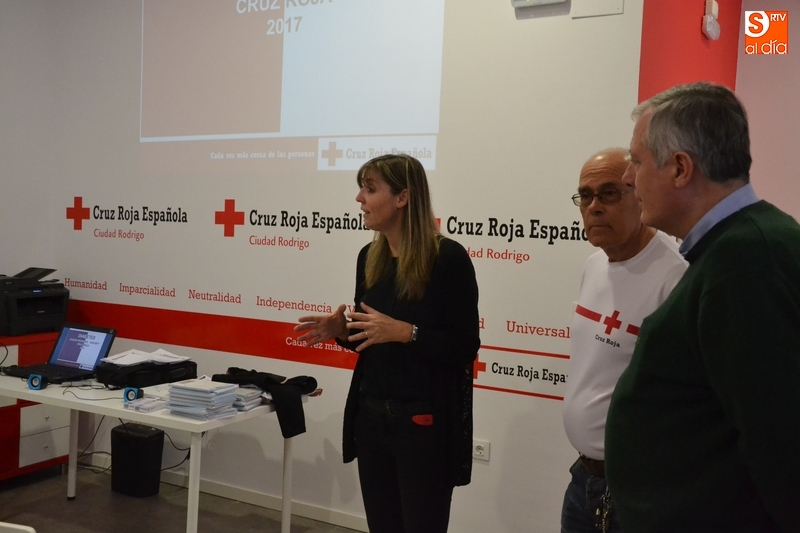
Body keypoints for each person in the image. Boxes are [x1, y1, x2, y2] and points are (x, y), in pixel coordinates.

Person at [606, 81, 800, 532]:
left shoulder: (745, 261)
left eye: (637, 161)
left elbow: (779, 441)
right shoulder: (740, 247)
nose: (628, 178)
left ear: (680, 168)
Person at [294, 153, 480, 533]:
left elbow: (464, 347)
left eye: (370, 188)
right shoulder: (370, 257)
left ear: (403, 198)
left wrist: (407, 332)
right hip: (371, 418)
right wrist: (341, 330)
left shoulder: (448, 258)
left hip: (422, 424)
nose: (359, 198)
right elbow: (369, 337)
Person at [561, 148, 687, 533]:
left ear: (638, 194)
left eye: (610, 193)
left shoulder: (676, 274)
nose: (594, 207)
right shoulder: (594, 265)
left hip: (640, 489)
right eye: (586, 196)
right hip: (584, 479)